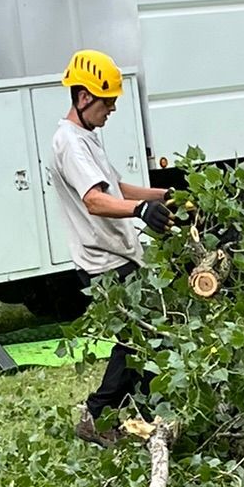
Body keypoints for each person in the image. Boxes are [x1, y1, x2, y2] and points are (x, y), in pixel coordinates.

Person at [49, 49, 172, 446]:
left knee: (148, 333)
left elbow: (117, 189)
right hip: (102, 260)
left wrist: (169, 194)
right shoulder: (69, 142)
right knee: (136, 338)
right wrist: (140, 210)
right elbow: (95, 201)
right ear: (84, 98)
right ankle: (96, 415)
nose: (112, 110)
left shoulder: (86, 138)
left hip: (119, 253)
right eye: (108, 102)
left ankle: (151, 413)